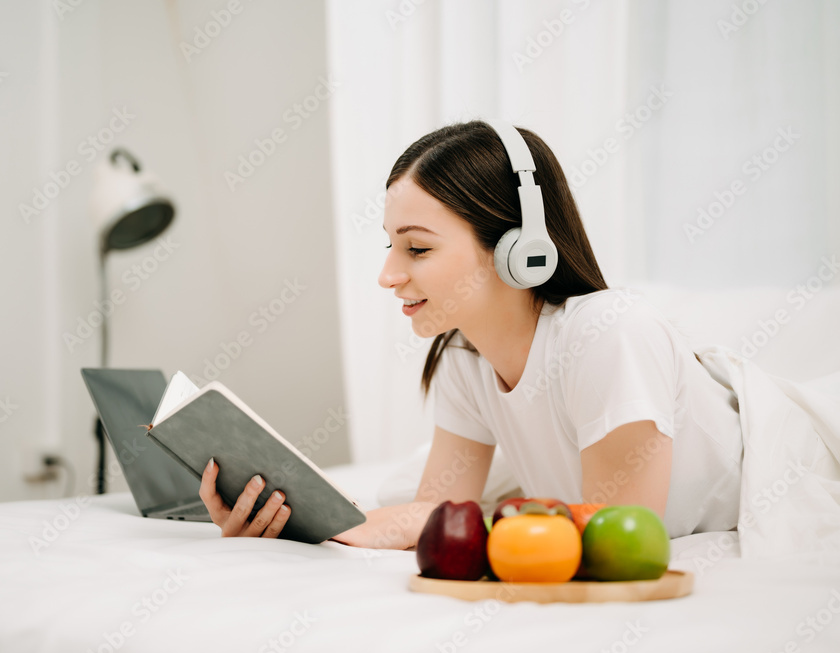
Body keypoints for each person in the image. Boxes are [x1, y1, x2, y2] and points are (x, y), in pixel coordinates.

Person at [198, 120, 745, 548]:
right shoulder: (465, 356)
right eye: (389, 245)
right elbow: (441, 510)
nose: (387, 275)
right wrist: (302, 521)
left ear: (519, 249)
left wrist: (459, 527)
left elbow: (618, 533)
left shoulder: (612, 333)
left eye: (417, 248)